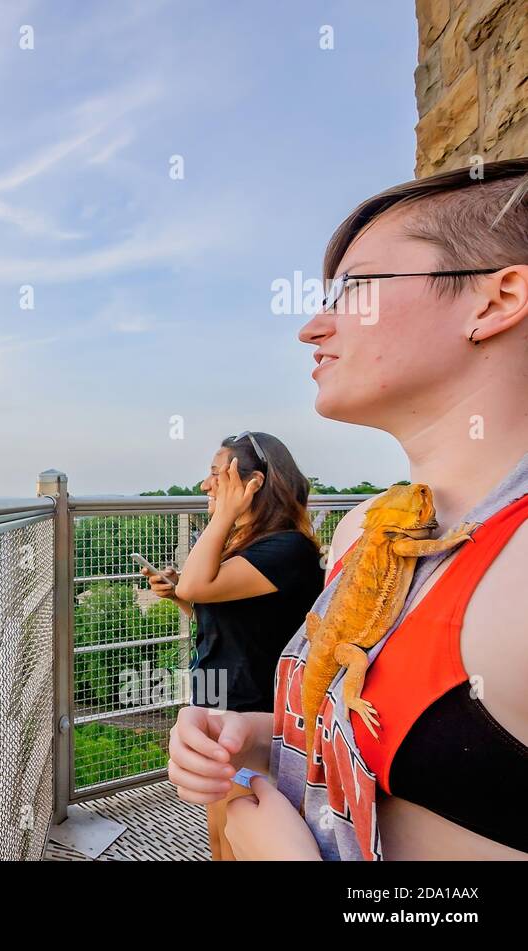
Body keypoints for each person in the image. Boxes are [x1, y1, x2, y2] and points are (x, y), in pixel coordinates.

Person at [166, 158, 528, 860]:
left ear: (495, 299)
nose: (310, 327)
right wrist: (257, 731)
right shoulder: (368, 527)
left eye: (354, 290)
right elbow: (363, 726)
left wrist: (275, 847)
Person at [143, 431, 322, 859]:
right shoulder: (255, 546)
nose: (205, 486)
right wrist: (182, 597)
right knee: (220, 836)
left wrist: (223, 516)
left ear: (253, 484)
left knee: (237, 838)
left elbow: (201, 583)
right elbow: (230, 617)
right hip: (222, 697)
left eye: (215, 476)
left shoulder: (287, 548)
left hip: (252, 711)